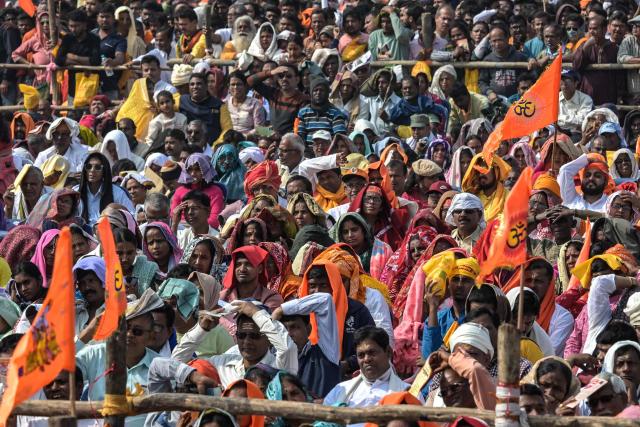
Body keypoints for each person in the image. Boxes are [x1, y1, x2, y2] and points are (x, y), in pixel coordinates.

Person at [324, 326, 408, 407]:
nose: (366, 359)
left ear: (388, 352)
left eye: (372, 352)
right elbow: (322, 420)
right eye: (361, 355)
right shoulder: (341, 390)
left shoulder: (407, 393)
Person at [573, 16, 622, 105]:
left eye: (595, 28)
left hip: (608, 95)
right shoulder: (584, 46)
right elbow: (576, 66)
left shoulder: (614, 48)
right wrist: (585, 47)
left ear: (604, 29)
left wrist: (620, 96)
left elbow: (619, 76)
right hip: (587, 95)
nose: (592, 31)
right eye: (590, 28)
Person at [221, 246, 283, 312]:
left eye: (248, 264)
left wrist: (254, 311)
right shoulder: (224, 296)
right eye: (238, 264)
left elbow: (270, 321)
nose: (242, 269)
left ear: (260, 269)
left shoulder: (271, 298)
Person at [171, 154, 225, 229]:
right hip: (180, 229)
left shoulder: (215, 191)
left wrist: (194, 229)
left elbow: (215, 220)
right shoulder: (179, 191)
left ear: (206, 170)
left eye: (197, 169)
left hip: (206, 231)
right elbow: (172, 215)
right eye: (190, 169)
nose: (193, 174)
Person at [179, 73, 231, 145]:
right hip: (187, 147)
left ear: (206, 86)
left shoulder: (219, 105)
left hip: (211, 147)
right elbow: (163, 103)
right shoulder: (182, 100)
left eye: (199, 84)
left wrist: (216, 145)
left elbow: (227, 129)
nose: (195, 87)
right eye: (192, 84)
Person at [558, 70, 594, 137]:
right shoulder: (555, 98)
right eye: (562, 79)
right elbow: (550, 120)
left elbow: (582, 120)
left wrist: (559, 118)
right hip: (557, 132)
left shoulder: (586, 99)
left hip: (577, 134)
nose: (564, 83)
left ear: (576, 83)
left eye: (568, 80)